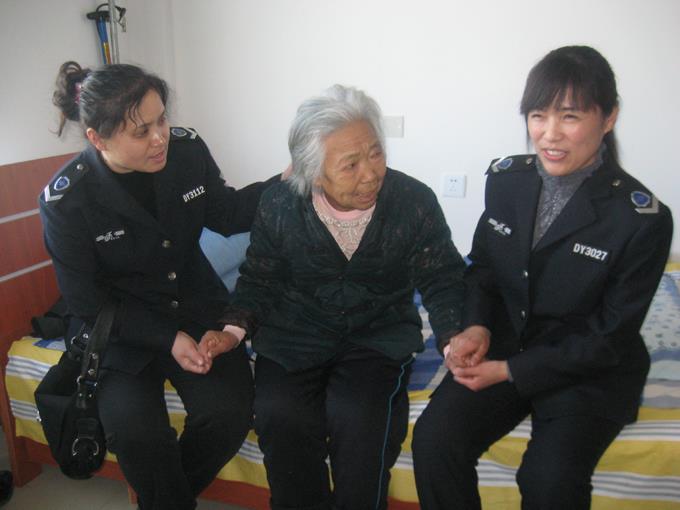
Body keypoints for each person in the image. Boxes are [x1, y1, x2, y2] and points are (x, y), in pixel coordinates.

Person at [412, 45, 674, 510]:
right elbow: (484, 269)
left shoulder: (640, 218)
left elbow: (609, 336)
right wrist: (476, 326)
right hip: (508, 343)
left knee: (548, 481)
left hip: (587, 370)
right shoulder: (507, 180)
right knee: (434, 440)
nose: (549, 134)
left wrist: (509, 371)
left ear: (608, 118)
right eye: (538, 115)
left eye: (570, 116)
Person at [199, 84, 466, 510]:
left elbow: (443, 276)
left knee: (360, 421)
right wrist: (232, 331)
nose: (371, 173)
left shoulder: (412, 201)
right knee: (279, 416)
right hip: (293, 335)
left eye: (376, 153)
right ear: (312, 173)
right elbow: (260, 277)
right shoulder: (279, 205)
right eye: (351, 165)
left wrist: (452, 336)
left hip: (376, 337)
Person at [41, 61, 282, 510]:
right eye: (141, 131)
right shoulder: (67, 201)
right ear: (98, 138)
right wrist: (167, 338)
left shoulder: (187, 152)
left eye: (162, 120)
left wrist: (286, 183)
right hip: (119, 330)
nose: (160, 138)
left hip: (195, 308)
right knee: (137, 434)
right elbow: (87, 302)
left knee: (229, 415)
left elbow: (227, 213)